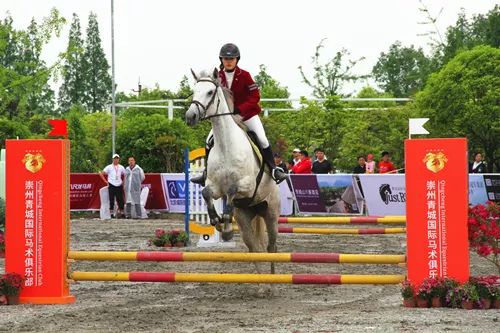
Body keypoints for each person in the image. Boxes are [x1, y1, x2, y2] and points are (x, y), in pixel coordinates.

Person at [191, 43, 287, 186]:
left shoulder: (245, 75)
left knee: (262, 138)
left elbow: (255, 96)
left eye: (232, 59)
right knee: (208, 141)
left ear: (237, 60)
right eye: (225, 59)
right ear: (221, 60)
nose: (228, 61)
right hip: (226, 117)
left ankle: (273, 170)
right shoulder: (218, 76)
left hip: (246, 115)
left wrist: (240, 109)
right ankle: (206, 173)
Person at [100, 154, 126, 218]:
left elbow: (126, 174)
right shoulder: (109, 167)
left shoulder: (121, 167)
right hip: (111, 184)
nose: (116, 160)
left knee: (120, 199)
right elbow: (101, 173)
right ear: (113, 159)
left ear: (119, 159)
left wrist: (123, 182)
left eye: (117, 158)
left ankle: (122, 213)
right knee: (111, 199)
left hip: (119, 184)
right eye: (115, 158)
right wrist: (106, 182)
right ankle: (111, 214)